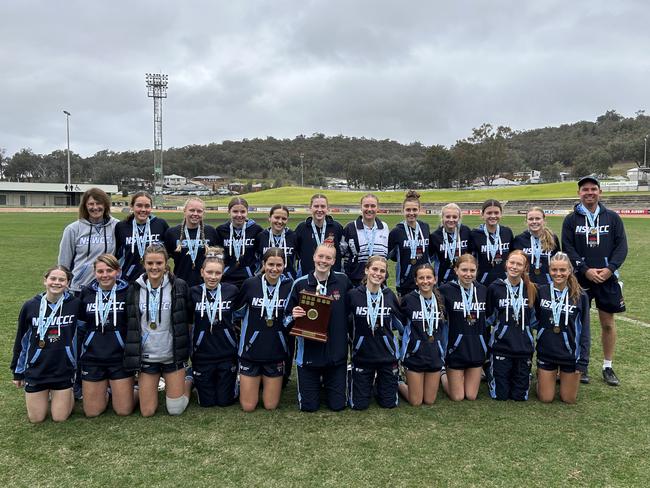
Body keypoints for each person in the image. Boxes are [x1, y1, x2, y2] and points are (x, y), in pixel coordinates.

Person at [561, 176, 627, 386]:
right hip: (580, 280)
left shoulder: (612, 218)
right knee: (578, 324)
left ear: (600, 192)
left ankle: (608, 366)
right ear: (579, 193)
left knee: (607, 323)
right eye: (585, 190)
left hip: (607, 279)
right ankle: (582, 364)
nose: (589, 193)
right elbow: (568, 247)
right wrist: (584, 269)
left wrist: (610, 269)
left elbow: (622, 247)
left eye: (593, 189)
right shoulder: (571, 220)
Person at [123, 244, 192, 416]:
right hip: (148, 356)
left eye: (159, 263)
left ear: (166, 263)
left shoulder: (179, 286)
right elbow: (131, 322)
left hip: (172, 355)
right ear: (143, 263)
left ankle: (189, 381)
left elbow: (188, 318)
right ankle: (143, 390)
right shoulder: (135, 289)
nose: (154, 267)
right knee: (147, 411)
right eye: (150, 263)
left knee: (175, 410)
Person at [288, 240, 352, 412]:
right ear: (314, 257)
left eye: (328, 258)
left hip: (336, 357)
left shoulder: (343, 281)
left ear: (333, 261)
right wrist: (293, 315)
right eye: (320, 256)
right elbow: (285, 318)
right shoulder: (300, 284)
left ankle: (332, 381)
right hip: (309, 357)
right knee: (309, 407)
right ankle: (317, 383)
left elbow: (352, 311)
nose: (323, 261)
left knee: (338, 406)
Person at [11, 265, 81, 422]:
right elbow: (21, 340)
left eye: (62, 279)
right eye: (53, 278)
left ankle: (67, 394)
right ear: (45, 281)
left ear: (68, 283)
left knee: (59, 418)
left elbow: (82, 333)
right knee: (36, 419)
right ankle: (49, 395)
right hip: (37, 370)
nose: (56, 282)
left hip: (63, 369)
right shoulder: (30, 306)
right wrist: (17, 371)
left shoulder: (75, 305)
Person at [234, 248, 293, 411]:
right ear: (263, 264)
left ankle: (260, 382)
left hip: (276, 351)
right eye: (270, 264)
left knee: (270, 405)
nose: (274, 269)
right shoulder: (250, 284)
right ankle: (242, 382)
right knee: (248, 407)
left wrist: (293, 316)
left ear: (284, 265)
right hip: (250, 351)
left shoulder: (289, 285)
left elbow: (289, 317)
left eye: (279, 265)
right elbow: (237, 312)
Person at [78, 254, 134, 416]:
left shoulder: (129, 291)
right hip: (93, 358)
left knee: (123, 411)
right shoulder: (86, 293)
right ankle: (106, 392)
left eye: (109, 270)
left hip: (119, 358)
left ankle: (136, 390)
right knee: (92, 412)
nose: (105, 275)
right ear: (94, 273)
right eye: (100, 271)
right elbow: (81, 327)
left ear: (118, 271)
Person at [347, 256, 404, 410]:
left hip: (387, 357)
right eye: (374, 269)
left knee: (389, 404)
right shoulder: (353, 295)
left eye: (382, 271)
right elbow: (345, 325)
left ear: (385, 275)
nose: (378, 273)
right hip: (363, 357)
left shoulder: (389, 295)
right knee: (359, 405)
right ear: (366, 270)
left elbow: (401, 326)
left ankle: (385, 380)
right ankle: (351, 375)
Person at [535, 252, 590, 403]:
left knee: (568, 399)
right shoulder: (542, 291)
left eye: (562, 270)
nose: (558, 273)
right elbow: (536, 319)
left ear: (570, 271)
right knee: (545, 398)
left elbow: (585, 330)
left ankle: (561, 378)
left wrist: (583, 360)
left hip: (570, 355)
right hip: (547, 352)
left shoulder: (580, 295)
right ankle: (543, 378)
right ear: (549, 270)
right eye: (554, 270)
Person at [189, 247, 240, 407]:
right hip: (202, 354)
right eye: (209, 272)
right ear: (202, 272)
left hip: (226, 353)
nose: (213, 277)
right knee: (207, 403)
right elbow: (189, 322)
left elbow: (239, 317)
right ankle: (191, 378)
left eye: (217, 273)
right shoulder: (193, 292)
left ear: (223, 273)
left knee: (225, 402)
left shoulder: (231, 291)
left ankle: (236, 381)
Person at [485, 250, 537, 401]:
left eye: (519, 264)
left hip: (523, 348)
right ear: (506, 264)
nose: (514, 266)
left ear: (525, 268)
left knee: (519, 397)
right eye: (511, 263)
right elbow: (489, 318)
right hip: (502, 346)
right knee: (500, 395)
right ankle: (490, 367)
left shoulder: (532, 289)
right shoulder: (495, 287)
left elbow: (534, 320)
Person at [439, 255, 488, 401]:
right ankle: (442, 374)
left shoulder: (483, 290)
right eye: (464, 270)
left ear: (477, 271)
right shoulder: (445, 290)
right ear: (456, 270)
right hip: (456, 348)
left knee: (471, 396)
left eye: (472, 270)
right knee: (458, 397)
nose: (468, 274)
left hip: (476, 347)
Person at [398, 264, 447, 406]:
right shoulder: (408, 299)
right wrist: (407, 349)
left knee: (429, 400)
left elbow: (444, 327)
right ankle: (399, 381)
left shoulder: (441, 300)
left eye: (429, 277)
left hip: (434, 354)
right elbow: (402, 327)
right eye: (421, 278)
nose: (425, 281)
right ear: (416, 281)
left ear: (435, 279)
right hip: (415, 355)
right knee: (416, 401)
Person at [58, 188, 119, 294]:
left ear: (105, 205)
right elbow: (64, 264)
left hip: (108, 287)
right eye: (91, 204)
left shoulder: (117, 226)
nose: (95, 207)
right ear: (85, 206)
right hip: (79, 288)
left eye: (99, 203)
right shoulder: (73, 229)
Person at [115, 191, 169, 283]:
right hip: (129, 280)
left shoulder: (160, 224)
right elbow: (117, 254)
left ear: (151, 208)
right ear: (132, 207)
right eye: (139, 205)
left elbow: (168, 252)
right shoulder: (121, 227)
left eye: (147, 206)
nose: (143, 209)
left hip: (156, 280)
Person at [165, 197, 218, 287]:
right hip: (180, 284)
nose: (195, 214)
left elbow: (218, 259)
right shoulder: (172, 232)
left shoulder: (210, 231)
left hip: (205, 285)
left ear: (203, 213)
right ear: (184, 211)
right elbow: (163, 259)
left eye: (199, 211)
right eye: (192, 210)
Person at [388, 190, 431, 296]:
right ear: (403, 210)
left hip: (425, 280)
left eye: (414, 209)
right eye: (408, 210)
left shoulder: (425, 227)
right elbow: (390, 256)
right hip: (405, 282)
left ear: (419, 210)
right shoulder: (396, 231)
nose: (411, 213)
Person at [342, 194, 390, 286]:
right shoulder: (350, 227)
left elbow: (388, 252)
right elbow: (341, 252)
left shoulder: (384, 227)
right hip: (356, 280)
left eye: (373, 206)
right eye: (366, 206)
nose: (369, 209)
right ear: (361, 207)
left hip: (379, 279)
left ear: (377, 208)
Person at [216, 197, 263, 288]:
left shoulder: (256, 230)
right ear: (229, 212)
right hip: (227, 279)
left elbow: (262, 255)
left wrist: (256, 273)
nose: (239, 215)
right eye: (235, 211)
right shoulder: (221, 230)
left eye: (242, 212)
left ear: (247, 212)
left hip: (249, 279)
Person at [295, 194, 344, 276]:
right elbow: (297, 252)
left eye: (323, 206)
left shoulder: (336, 227)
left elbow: (342, 250)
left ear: (328, 209)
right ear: (310, 208)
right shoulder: (302, 228)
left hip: (332, 277)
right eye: (316, 206)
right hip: (308, 276)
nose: (319, 209)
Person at [470, 199, 513, 286]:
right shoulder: (475, 234)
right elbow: (470, 258)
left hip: (505, 282)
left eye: (496, 213)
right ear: (482, 215)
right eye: (489, 213)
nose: (493, 216)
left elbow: (512, 255)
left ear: (501, 214)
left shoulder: (507, 232)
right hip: (482, 282)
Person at [512, 207, 559, 285]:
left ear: (544, 220)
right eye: (531, 219)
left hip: (548, 284)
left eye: (537, 218)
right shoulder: (519, 239)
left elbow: (557, 262)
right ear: (526, 221)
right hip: (526, 284)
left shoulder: (553, 238)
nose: (534, 221)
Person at [429, 203, 473, 284]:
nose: (451, 220)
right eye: (448, 217)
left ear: (459, 218)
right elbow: (429, 260)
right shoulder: (435, 236)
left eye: (455, 217)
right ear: (442, 217)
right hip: (443, 281)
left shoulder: (466, 231)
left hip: (463, 279)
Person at [256, 204, 298, 281]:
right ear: (269, 218)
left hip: (287, 282)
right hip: (265, 281)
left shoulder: (293, 236)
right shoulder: (261, 236)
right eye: (277, 217)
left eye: (284, 218)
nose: (280, 221)